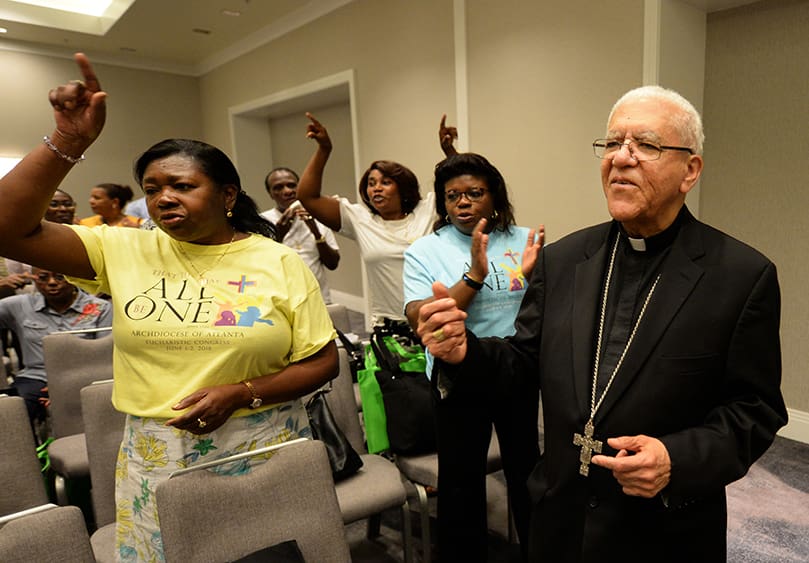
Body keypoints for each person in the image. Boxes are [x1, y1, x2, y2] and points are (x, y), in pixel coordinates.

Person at [418, 85, 787, 562]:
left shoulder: (740, 276)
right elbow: (521, 363)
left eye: (646, 145)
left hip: (662, 531)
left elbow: (754, 410)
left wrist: (677, 459)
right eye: (612, 144)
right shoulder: (563, 260)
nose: (622, 158)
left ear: (689, 170)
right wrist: (464, 353)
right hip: (559, 518)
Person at [0, 54, 338, 562]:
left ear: (227, 196)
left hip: (265, 443)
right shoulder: (122, 248)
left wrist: (240, 393)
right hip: (161, 452)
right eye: (153, 189)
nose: (163, 199)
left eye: (182, 185)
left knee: (270, 554)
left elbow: (322, 361)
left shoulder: (277, 260)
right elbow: (8, 228)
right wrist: (68, 142)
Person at [403, 151, 544, 561]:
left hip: (515, 368)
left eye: (474, 193)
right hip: (458, 373)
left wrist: (536, 279)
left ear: (494, 196)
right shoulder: (425, 251)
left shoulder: (522, 240)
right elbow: (425, 319)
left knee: (526, 469)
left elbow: (539, 309)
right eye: (452, 196)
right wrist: (474, 276)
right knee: (462, 480)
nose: (462, 203)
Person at [297, 113, 436, 327]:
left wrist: (450, 152)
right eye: (371, 183)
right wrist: (324, 150)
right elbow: (307, 196)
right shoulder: (360, 219)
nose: (376, 188)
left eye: (385, 182)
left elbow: (461, 181)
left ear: (403, 187)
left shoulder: (426, 211)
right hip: (389, 327)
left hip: (433, 319)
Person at [0, 267, 112, 433]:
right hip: (36, 377)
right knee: (12, 410)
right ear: (34, 278)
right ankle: (28, 456)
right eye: (43, 277)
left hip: (85, 376)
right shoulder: (19, 305)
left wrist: (63, 387)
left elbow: (104, 357)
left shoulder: (100, 308)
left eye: (60, 277)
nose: (52, 283)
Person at [260, 166, 340, 304]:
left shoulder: (318, 217)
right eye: (278, 188)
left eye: (292, 185)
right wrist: (279, 236)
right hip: (282, 301)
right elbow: (260, 266)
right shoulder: (262, 222)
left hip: (319, 299)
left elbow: (332, 264)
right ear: (270, 194)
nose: (287, 191)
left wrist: (315, 230)